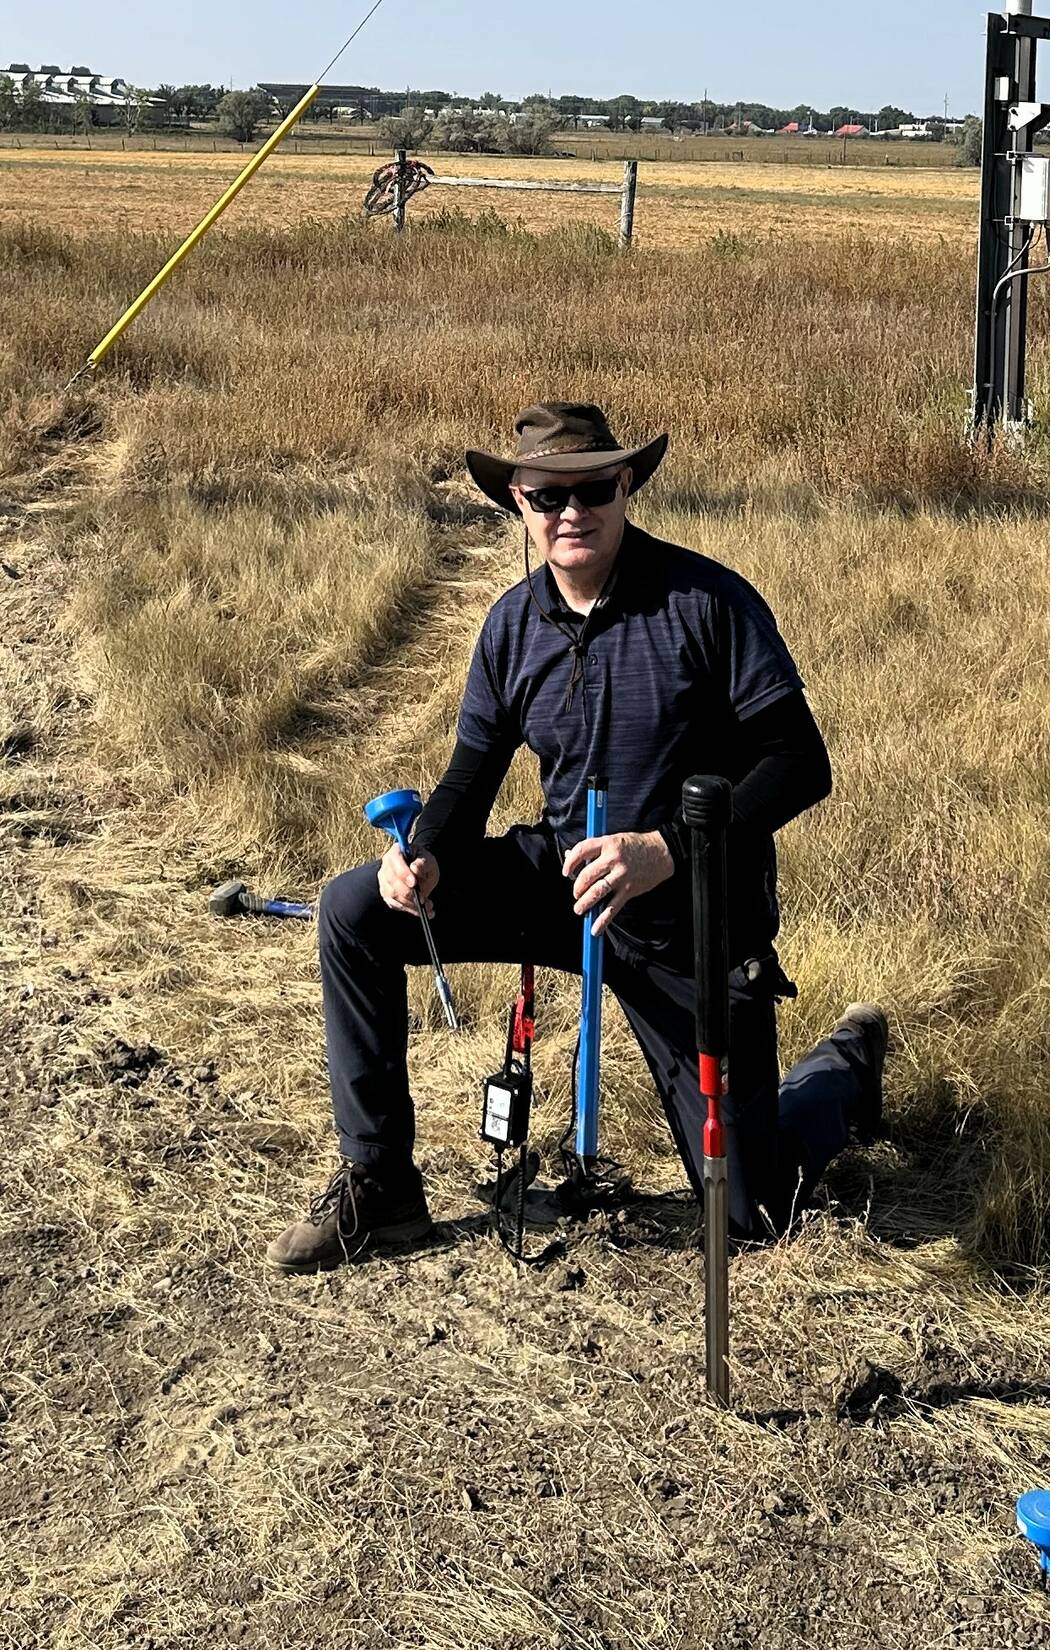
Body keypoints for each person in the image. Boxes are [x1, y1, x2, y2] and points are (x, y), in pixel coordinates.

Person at [268, 404, 887, 1273]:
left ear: (626, 485)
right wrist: (426, 855)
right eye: (546, 495)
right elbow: (469, 776)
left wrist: (666, 849)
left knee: (754, 1214)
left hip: (690, 919)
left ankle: (848, 1064)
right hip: (564, 884)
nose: (571, 511)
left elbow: (799, 762)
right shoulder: (511, 626)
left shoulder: (708, 603)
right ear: (516, 502)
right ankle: (381, 1187)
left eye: (593, 487)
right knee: (352, 909)